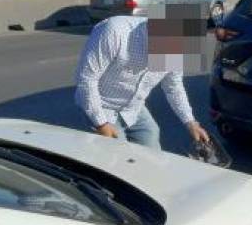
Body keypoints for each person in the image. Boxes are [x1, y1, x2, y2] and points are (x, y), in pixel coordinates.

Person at [74, 13, 210, 150]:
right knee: (117, 157)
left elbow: (174, 87)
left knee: (152, 144)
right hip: (101, 106)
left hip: (134, 108)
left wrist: (190, 122)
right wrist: (101, 124)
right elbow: (87, 79)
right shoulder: (115, 31)